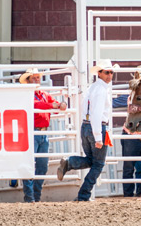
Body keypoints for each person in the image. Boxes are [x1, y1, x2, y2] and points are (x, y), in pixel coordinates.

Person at [56, 59, 116, 201]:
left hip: (86, 126)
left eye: (111, 72)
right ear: (100, 73)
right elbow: (96, 114)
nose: (110, 75)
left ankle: (69, 163)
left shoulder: (93, 88)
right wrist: (98, 137)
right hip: (97, 127)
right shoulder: (101, 91)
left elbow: (87, 110)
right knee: (98, 164)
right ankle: (84, 194)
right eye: (107, 72)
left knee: (92, 160)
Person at [19, 68, 67, 203]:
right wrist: (54, 105)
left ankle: (34, 196)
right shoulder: (28, 95)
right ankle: (30, 197)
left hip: (42, 132)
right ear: (28, 81)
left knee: (42, 165)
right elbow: (42, 105)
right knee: (30, 165)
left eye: (37, 77)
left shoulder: (44, 95)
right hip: (31, 132)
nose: (36, 80)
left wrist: (59, 105)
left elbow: (54, 105)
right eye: (33, 78)